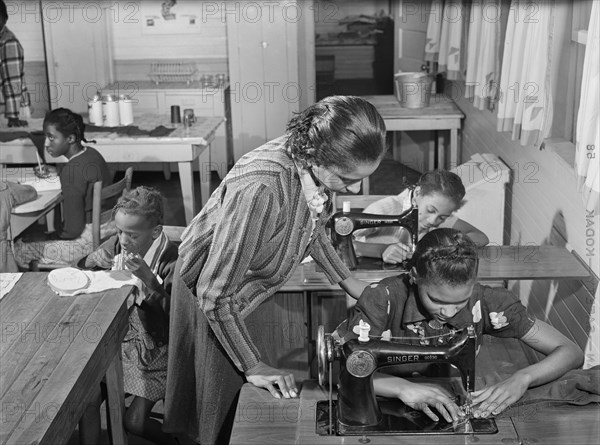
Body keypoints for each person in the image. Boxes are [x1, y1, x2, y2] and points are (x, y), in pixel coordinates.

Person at [164, 95, 387, 444]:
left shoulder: (310, 164)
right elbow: (213, 293)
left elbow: (310, 229)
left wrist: (351, 281)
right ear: (314, 154)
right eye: (347, 178)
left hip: (239, 294)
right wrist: (254, 365)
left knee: (245, 402)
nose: (356, 189)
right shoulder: (262, 187)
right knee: (222, 419)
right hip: (209, 300)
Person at [334, 228, 584, 423]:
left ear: (474, 282)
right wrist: (402, 388)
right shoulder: (382, 298)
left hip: (445, 399)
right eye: (436, 300)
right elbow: (346, 372)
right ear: (414, 277)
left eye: (460, 301)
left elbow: (570, 351)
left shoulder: (487, 301)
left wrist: (523, 378)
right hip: (378, 398)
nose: (449, 312)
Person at [78, 186, 179, 445]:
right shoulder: (117, 245)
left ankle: (180, 441)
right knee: (86, 404)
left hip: (160, 351)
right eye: (119, 231)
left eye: (131, 234)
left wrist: (149, 279)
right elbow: (81, 272)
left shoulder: (172, 260)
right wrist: (88, 261)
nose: (123, 240)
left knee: (133, 422)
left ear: (155, 232)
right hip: (121, 342)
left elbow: (176, 318)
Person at [13, 108, 113, 267]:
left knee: (16, 248)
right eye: (45, 136)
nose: (46, 143)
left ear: (71, 138)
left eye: (51, 137)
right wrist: (60, 172)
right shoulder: (92, 153)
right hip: (109, 233)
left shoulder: (71, 173)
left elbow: (72, 231)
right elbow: (83, 177)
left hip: (86, 245)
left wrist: (49, 236)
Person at [353, 170, 489, 264]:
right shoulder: (383, 209)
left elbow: (481, 237)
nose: (433, 221)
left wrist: (445, 247)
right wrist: (382, 250)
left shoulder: (439, 214)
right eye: (430, 210)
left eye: (442, 217)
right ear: (417, 193)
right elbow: (341, 244)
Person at [0, 0, 29, 127]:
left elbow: (13, 81)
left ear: (5, 19)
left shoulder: (8, 42)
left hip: (10, 111)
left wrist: (12, 116)